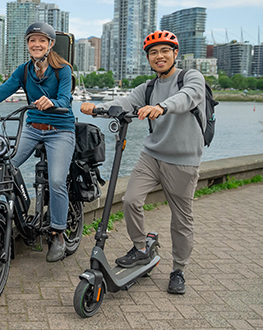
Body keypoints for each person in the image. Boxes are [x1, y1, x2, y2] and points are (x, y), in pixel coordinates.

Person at [79, 30, 206, 294]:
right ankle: (141, 248)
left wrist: (162, 107)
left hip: (183, 161)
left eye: (164, 51)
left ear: (175, 54)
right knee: (130, 200)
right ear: (148, 58)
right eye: (153, 52)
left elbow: (188, 97)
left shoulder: (191, 77)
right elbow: (125, 102)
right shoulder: (147, 88)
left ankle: (178, 269)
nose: (159, 56)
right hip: (152, 156)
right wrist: (98, 108)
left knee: (181, 219)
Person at [0, 22, 75, 263]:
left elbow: (65, 100)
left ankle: (58, 233)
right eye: (32, 40)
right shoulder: (24, 70)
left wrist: (52, 102)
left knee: (57, 179)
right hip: (32, 128)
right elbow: (4, 90)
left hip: (60, 129)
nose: (36, 44)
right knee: (2, 167)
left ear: (50, 44)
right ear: (27, 44)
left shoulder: (63, 70)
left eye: (42, 40)